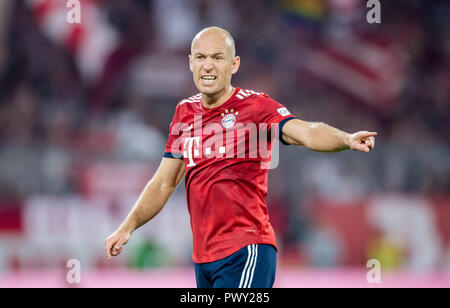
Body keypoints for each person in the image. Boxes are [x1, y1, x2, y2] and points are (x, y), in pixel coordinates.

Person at [104, 26, 376, 288]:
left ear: (233, 65)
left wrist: (345, 139)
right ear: (190, 63)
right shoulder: (184, 113)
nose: (207, 65)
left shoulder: (256, 107)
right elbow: (163, 182)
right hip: (204, 259)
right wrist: (127, 227)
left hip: (246, 250)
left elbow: (305, 132)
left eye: (217, 57)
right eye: (200, 57)